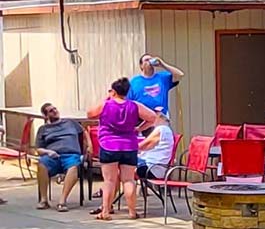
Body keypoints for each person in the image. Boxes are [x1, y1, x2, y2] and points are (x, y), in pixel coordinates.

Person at [87, 78, 156, 221]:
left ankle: (105, 211)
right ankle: (132, 212)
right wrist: (139, 128)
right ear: (127, 91)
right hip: (129, 145)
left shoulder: (106, 105)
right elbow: (152, 117)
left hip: (108, 145)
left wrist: (107, 98)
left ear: (114, 91)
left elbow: (90, 113)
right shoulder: (134, 105)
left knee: (109, 181)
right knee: (128, 180)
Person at [35, 103, 91, 212]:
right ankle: (44, 200)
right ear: (46, 116)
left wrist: (89, 146)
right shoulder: (43, 129)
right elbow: (38, 149)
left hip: (71, 154)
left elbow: (84, 132)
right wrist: (48, 152)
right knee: (41, 164)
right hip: (53, 156)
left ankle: (62, 201)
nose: (55, 111)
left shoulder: (70, 122)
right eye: (51, 111)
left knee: (73, 167)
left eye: (55, 108)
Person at [137, 108, 175, 180]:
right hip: (155, 166)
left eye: (154, 115)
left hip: (152, 168)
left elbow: (142, 146)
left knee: (122, 162)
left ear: (161, 116)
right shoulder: (166, 130)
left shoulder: (161, 129)